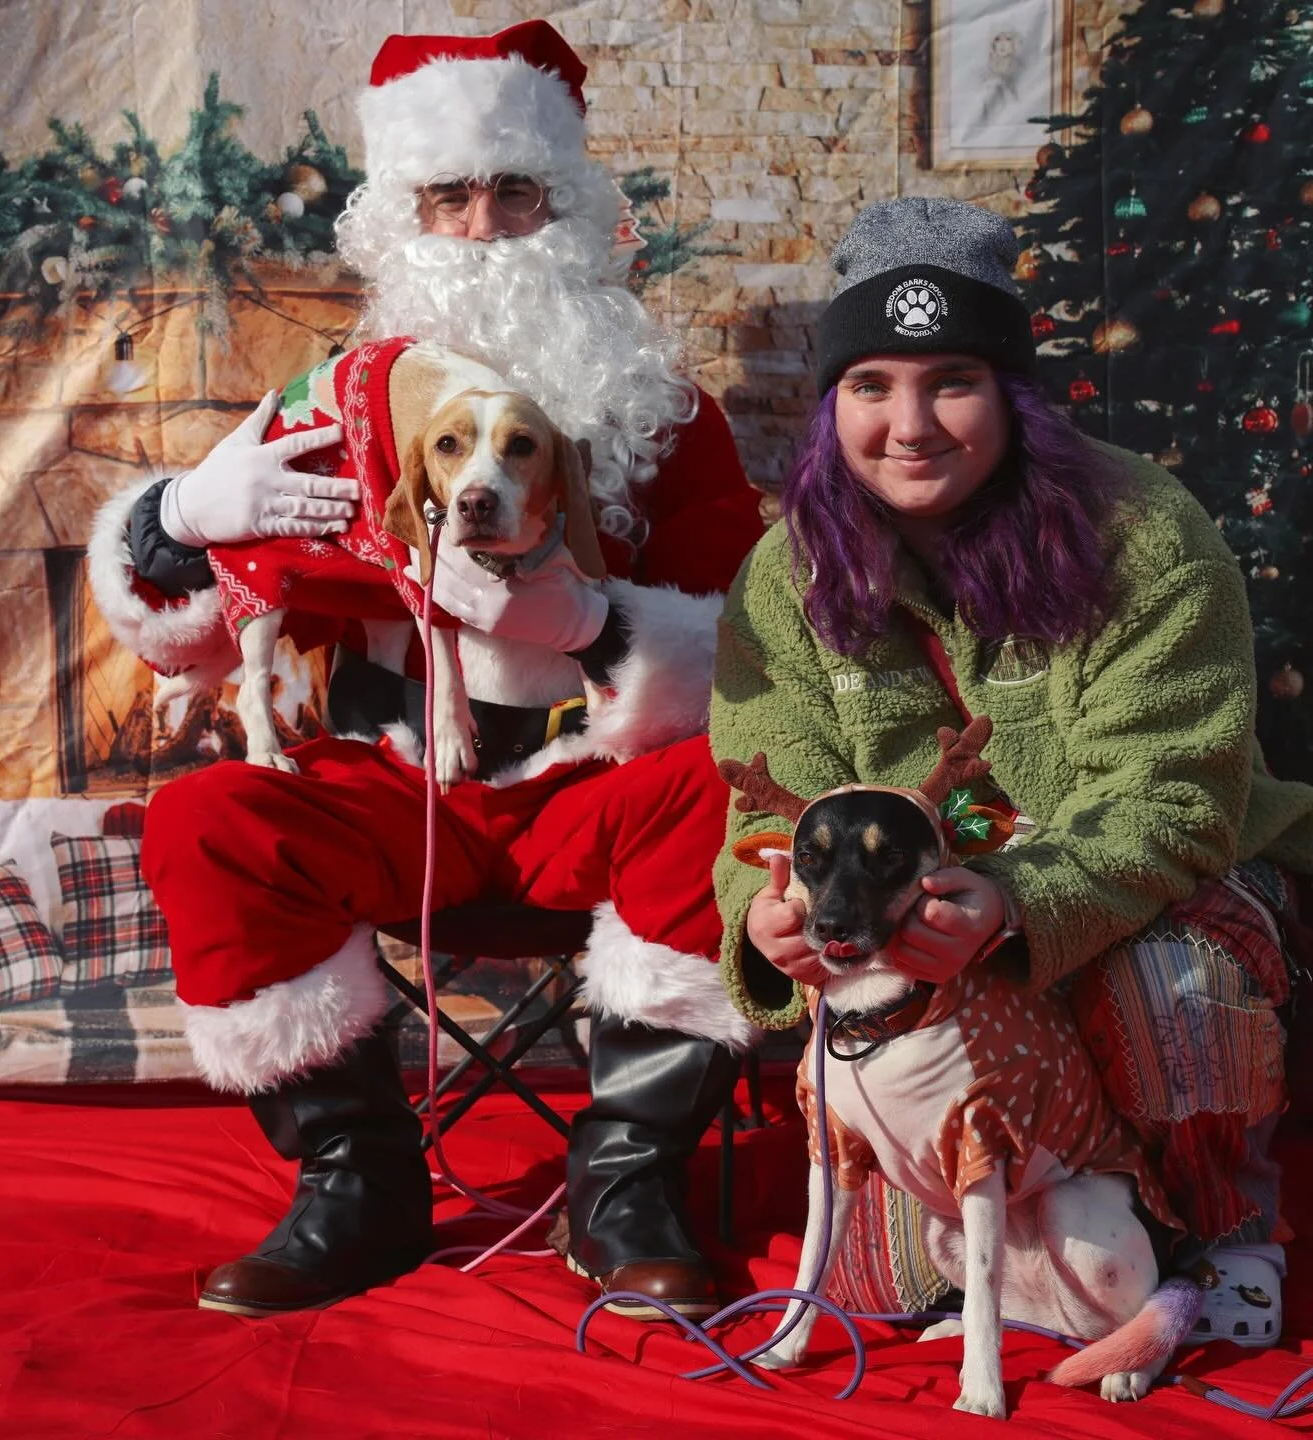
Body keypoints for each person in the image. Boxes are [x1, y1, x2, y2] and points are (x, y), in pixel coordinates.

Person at [87, 21, 765, 1321]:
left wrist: (592, 626)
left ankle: (626, 1181)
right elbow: (180, 631)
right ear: (401, 219)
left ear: (568, 208)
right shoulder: (333, 399)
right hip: (402, 783)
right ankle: (359, 1180)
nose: (485, 229)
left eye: (517, 193)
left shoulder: (663, 413)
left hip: (592, 784)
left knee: (744, 786)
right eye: (448, 199)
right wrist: (179, 517)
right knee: (210, 817)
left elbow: (752, 647)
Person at [709, 196, 1313, 1344]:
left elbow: (1172, 798)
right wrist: (768, 914)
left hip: (1164, 890)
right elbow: (758, 791)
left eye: (953, 381)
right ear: (832, 401)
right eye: (872, 384)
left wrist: (1016, 901)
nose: (910, 424)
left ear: (1013, 394)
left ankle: (1224, 1240)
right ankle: (1059, 1237)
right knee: (888, 1289)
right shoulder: (781, 580)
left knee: (1168, 984)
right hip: (917, 934)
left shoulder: (1143, 532)